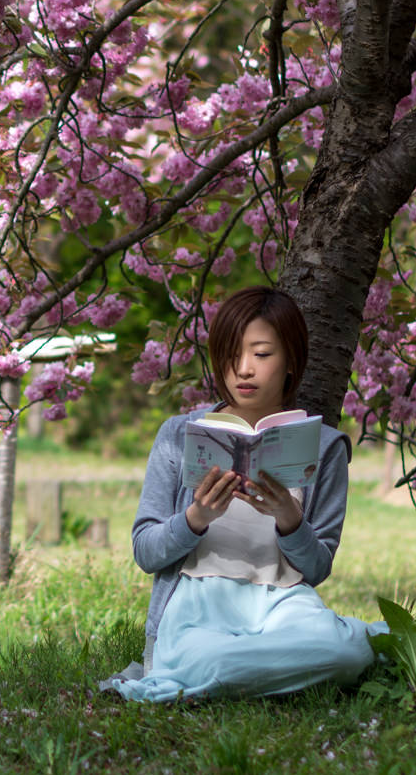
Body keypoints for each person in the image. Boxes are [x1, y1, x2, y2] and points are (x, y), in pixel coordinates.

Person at [103, 286, 383, 702]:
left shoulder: (324, 447)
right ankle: (267, 668)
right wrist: (196, 517)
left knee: (341, 654)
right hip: (197, 608)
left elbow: (318, 567)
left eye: (262, 354)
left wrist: (290, 520)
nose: (244, 369)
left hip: (284, 604)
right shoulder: (178, 435)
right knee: (213, 664)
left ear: (291, 360)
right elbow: (146, 552)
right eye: (232, 354)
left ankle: (287, 661)